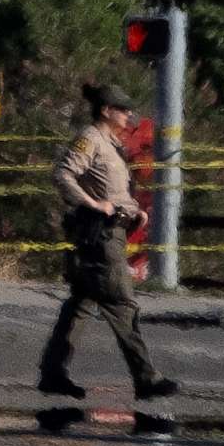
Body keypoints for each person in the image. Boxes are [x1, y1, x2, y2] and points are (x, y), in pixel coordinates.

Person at [40, 82, 178, 400]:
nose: (129, 114)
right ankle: (146, 378)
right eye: (123, 109)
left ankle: (53, 373)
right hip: (99, 235)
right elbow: (63, 174)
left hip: (110, 231)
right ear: (106, 111)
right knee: (122, 304)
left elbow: (111, 189)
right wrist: (92, 204)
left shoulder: (111, 144)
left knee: (81, 304)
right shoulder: (91, 139)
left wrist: (133, 212)